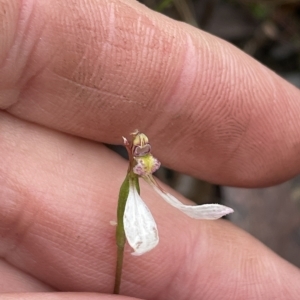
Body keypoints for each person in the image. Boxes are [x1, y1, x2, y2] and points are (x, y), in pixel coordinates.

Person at [0, 0, 300, 299]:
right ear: (132, 151)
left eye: (145, 151)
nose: (144, 153)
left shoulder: (139, 173)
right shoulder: (133, 175)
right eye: (139, 150)